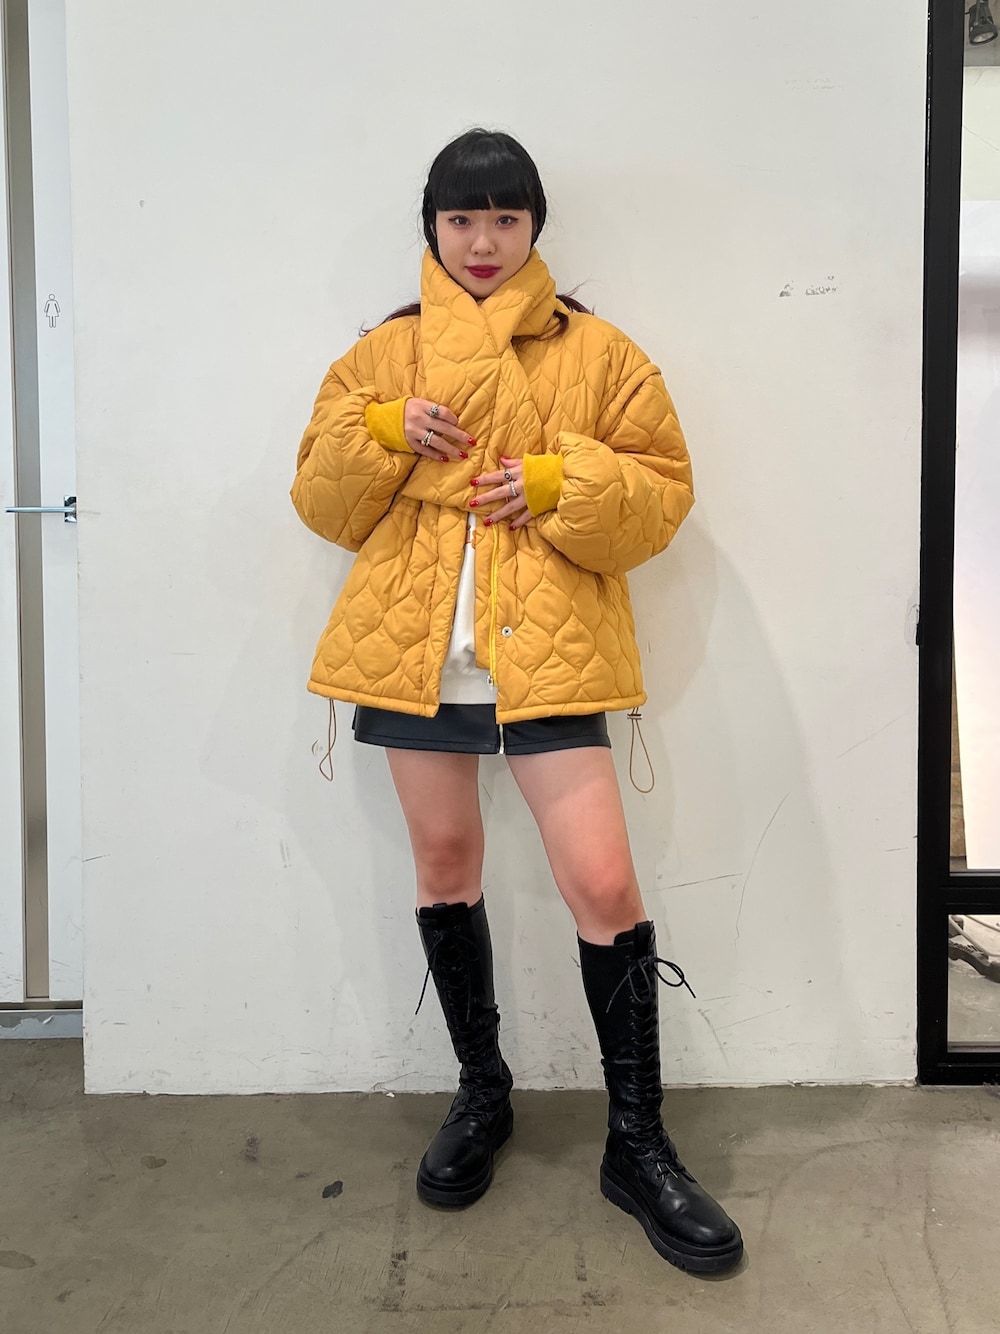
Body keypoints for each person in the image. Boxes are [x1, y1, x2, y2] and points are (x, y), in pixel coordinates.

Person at [290, 128, 743, 1276]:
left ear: (535, 224)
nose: (483, 240)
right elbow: (320, 501)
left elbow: (660, 496)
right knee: (445, 867)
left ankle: (637, 1142)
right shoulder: (383, 354)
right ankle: (481, 1090)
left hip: (544, 651)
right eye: (461, 218)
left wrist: (555, 481)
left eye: (504, 217)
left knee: (604, 884)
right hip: (415, 653)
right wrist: (383, 431)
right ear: (432, 228)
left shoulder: (599, 351)